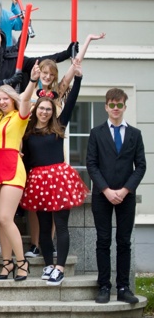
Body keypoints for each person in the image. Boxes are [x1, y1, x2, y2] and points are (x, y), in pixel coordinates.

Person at [21, 61, 86, 286]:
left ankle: (60, 267)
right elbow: (27, 159)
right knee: (44, 227)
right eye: (42, 108)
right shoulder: (28, 132)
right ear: (36, 109)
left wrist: (77, 78)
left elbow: (71, 102)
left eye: (49, 109)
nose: (45, 112)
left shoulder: (59, 125)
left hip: (59, 179)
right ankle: (48, 264)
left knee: (62, 225)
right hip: (38, 180)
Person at [87, 88, 146, 304]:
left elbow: (141, 166)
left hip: (126, 196)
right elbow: (91, 165)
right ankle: (104, 286)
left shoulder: (135, 135)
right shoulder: (96, 133)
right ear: (106, 106)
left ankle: (123, 287)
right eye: (111, 104)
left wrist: (124, 190)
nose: (115, 108)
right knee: (103, 241)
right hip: (102, 195)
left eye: (119, 105)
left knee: (123, 241)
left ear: (124, 107)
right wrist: (106, 190)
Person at [0, 63, 39, 282]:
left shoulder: (20, 116)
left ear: (12, 99)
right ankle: (6, 263)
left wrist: (33, 81)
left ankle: (22, 262)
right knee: (1, 221)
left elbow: (27, 99)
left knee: (6, 217)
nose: (1, 102)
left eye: (5, 98)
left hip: (12, 167)